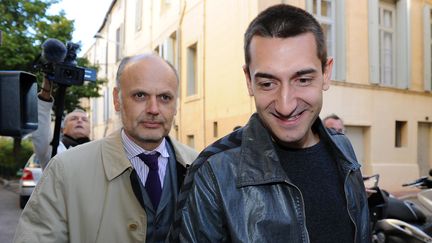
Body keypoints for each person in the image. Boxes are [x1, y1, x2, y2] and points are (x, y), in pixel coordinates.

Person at [169, 4, 370, 243]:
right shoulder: (215, 172)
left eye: (303, 80)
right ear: (248, 80)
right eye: (268, 84)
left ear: (326, 73)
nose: (285, 106)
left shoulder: (343, 148)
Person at [13, 54, 198, 243]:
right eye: (140, 95)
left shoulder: (203, 167)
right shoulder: (64, 170)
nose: (153, 109)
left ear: (176, 104)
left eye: (165, 97)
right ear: (117, 100)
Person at [33, 77, 91, 169]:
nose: (80, 120)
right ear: (63, 129)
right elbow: (41, 124)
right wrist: (46, 88)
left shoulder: (100, 151)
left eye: (84, 120)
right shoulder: (52, 150)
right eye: (74, 119)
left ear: (89, 129)